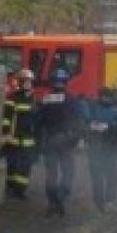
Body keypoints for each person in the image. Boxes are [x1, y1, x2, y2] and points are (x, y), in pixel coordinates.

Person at [36, 69, 82, 216]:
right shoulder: (71, 99)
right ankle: (60, 197)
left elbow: (39, 121)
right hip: (66, 141)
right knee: (68, 171)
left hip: (50, 140)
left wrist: (41, 141)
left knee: (51, 173)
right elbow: (78, 122)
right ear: (66, 82)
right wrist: (75, 139)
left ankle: (51, 202)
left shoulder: (46, 99)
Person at [82, 87, 117, 212]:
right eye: (103, 96)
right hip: (96, 149)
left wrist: (109, 127)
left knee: (111, 177)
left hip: (109, 149)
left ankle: (109, 201)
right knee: (97, 178)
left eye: (108, 96)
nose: (105, 99)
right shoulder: (93, 109)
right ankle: (99, 202)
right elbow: (86, 123)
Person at [1, 69, 38, 199]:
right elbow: (6, 117)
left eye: (30, 82)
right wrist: (6, 133)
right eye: (25, 82)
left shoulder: (34, 98)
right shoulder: (13, 97)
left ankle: (20, 190)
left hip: (28, 138)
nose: (28, 84)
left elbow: (37, 119)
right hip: (14, 137)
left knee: (25, 165)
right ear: (21, 82)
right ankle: (10, 186)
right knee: (13, 163)